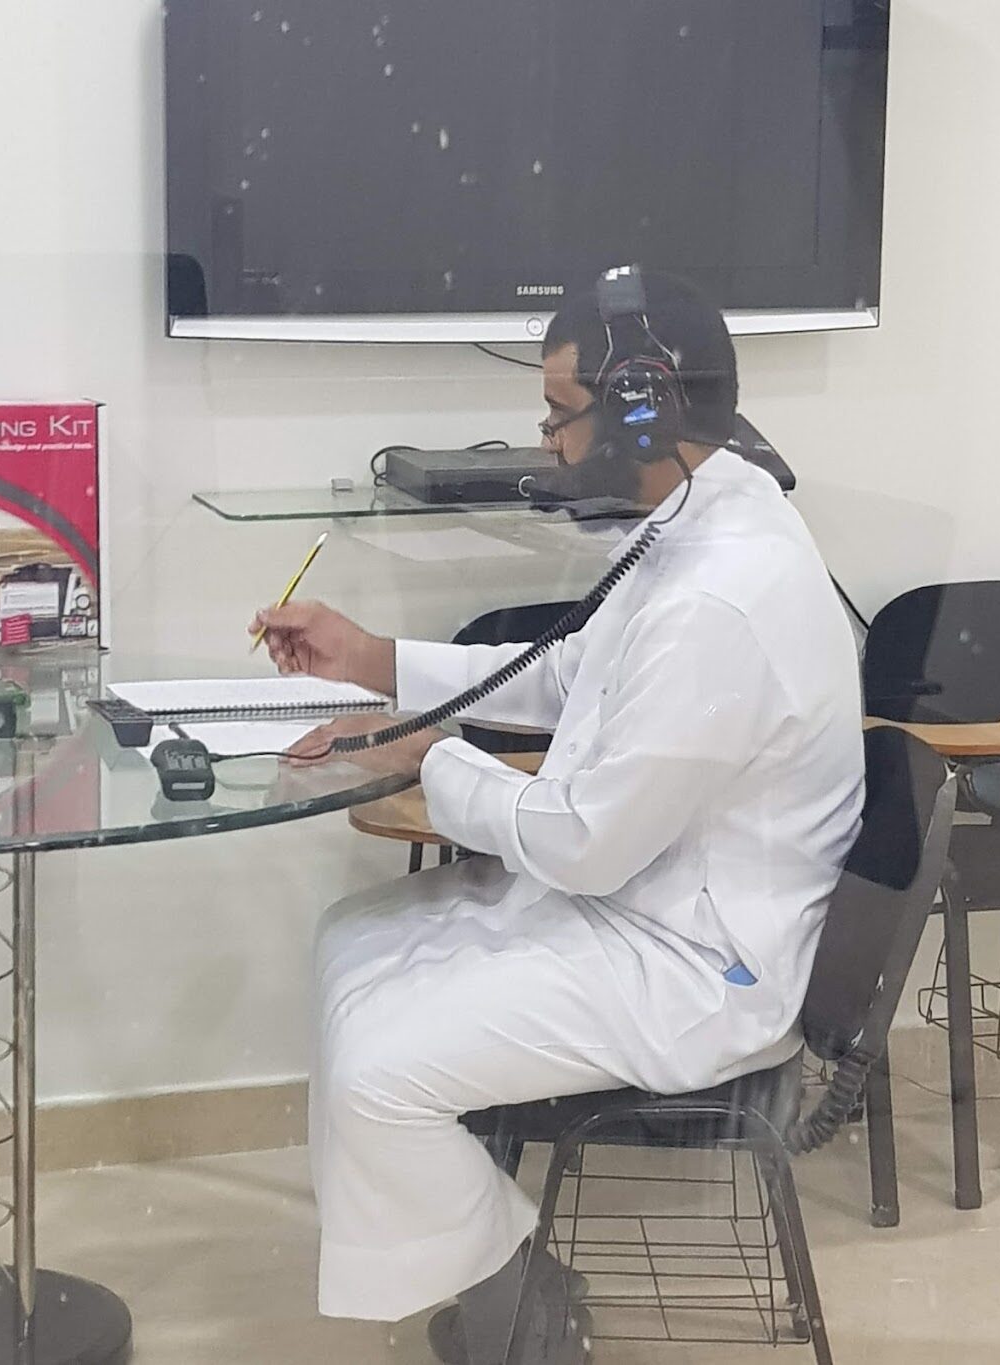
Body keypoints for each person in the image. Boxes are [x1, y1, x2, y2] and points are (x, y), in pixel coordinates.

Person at [250, 270, 865, 1365]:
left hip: (699, 967)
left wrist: (428, 754)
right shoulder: (698, 523)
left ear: (644, 408)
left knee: (379, 1071)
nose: (548, 441)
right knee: (353, 941)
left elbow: (583, 844)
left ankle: (521, 1318)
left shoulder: (723, 594)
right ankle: (512, 1279)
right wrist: (374, 659)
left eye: (558, 412)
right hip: (650, 904)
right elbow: (572, 675)